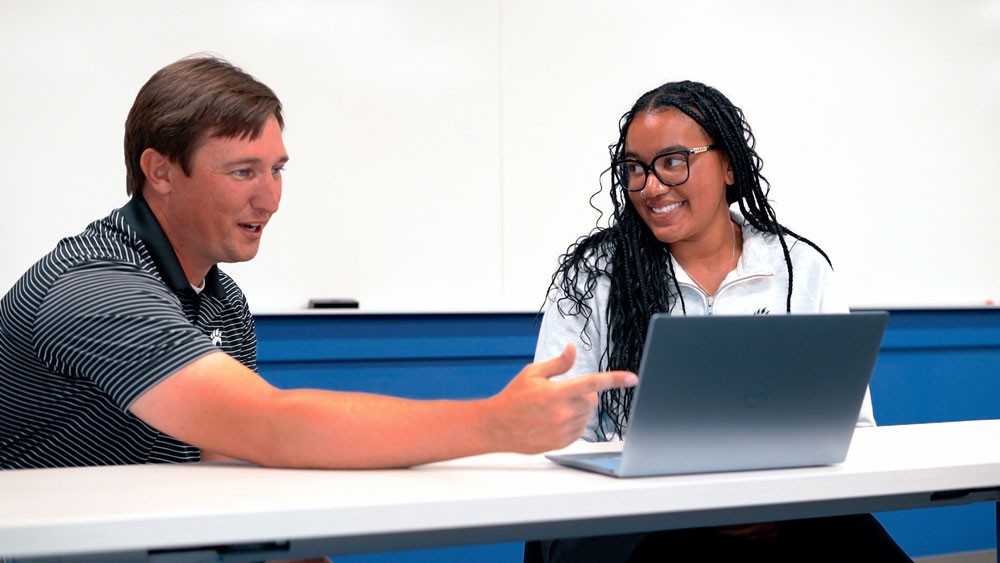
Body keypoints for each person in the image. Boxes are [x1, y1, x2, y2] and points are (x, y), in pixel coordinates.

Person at [0, 55, 637, 473]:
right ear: (160, 172)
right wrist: (491, 423)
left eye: (276, 170)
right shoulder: (93, 290)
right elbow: (269, 427)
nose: (270, 198)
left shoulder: (220, 302)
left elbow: (231, 458)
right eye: (242, 172)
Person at [529, 81, 912, 562]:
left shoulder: (799, 268)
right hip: (635, 519)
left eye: (673, 161)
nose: (650, 186)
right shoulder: (595, 278)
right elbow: (553, 438)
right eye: (634, 169)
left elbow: (853, 428)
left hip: (783, 510)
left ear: (729, 163)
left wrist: (776, 502)